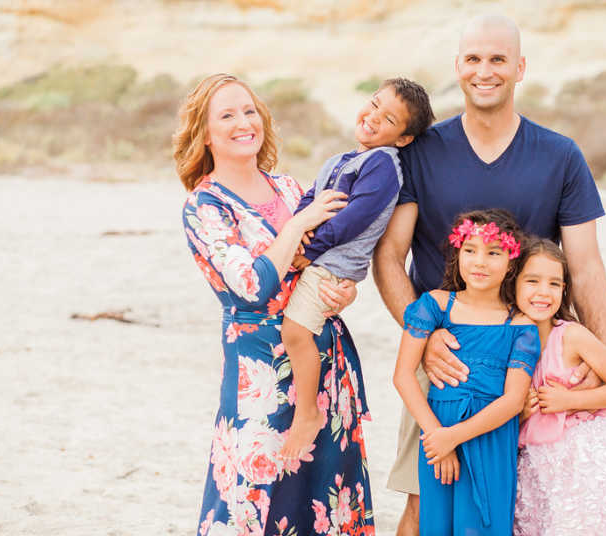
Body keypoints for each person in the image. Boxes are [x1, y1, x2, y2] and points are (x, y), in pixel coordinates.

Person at [372, 14, 606, 535]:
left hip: (533, 358)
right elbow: (390, 255)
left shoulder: (560, 156)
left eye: (498, 59)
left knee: (525, 502)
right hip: (445, 360)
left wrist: (597, 357)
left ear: (520, 67)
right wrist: (426, 335)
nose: (486, 71)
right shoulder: (420, 152)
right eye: (474, 59)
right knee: (423, 499)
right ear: (458, 67)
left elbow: (587, 265)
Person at [173, 73, 374, 536]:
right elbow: (251, 286)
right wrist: (295, 225)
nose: (244, 122)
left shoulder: (287, 187)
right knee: (252, 501)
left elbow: (328, 259)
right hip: (259, 374)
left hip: (324, 361)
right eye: (227, 115)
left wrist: (344, 290)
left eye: (249, 111)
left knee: (327, 501)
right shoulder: (205, 207)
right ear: (205, 134)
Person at [279, 78, 434, 460]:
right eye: (374, 104)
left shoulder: (383, 164)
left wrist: (309, 249)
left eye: (389, 118)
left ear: (403, 139)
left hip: (332, 264)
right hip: (315, 255)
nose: (374, 117)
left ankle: (308, 412)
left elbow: (356, 218)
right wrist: (296, 234)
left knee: (296, 332)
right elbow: (310, 199)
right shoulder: (339, 159)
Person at [393, 209, 539, 536]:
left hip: (490, 438)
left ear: (511, 262)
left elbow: (514, 400)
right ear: (458, 254)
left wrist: (452, 438)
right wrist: (437, 438)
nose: (480, 262)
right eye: (470, 250)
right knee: (436, 525)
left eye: (493, 253)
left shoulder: (520, 326)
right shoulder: (433, 305)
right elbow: (402, 376)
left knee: (480, 527)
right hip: (436, 432)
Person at [513, 238, 606, 535]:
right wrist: (521, 412)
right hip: (535, 466)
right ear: (513, 283)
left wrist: (567, 399)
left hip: (582, 461)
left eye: (555, 284)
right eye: (532, 281)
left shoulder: (571, 336)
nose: (544, 292)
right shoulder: (508, 338)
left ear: (564, 290)